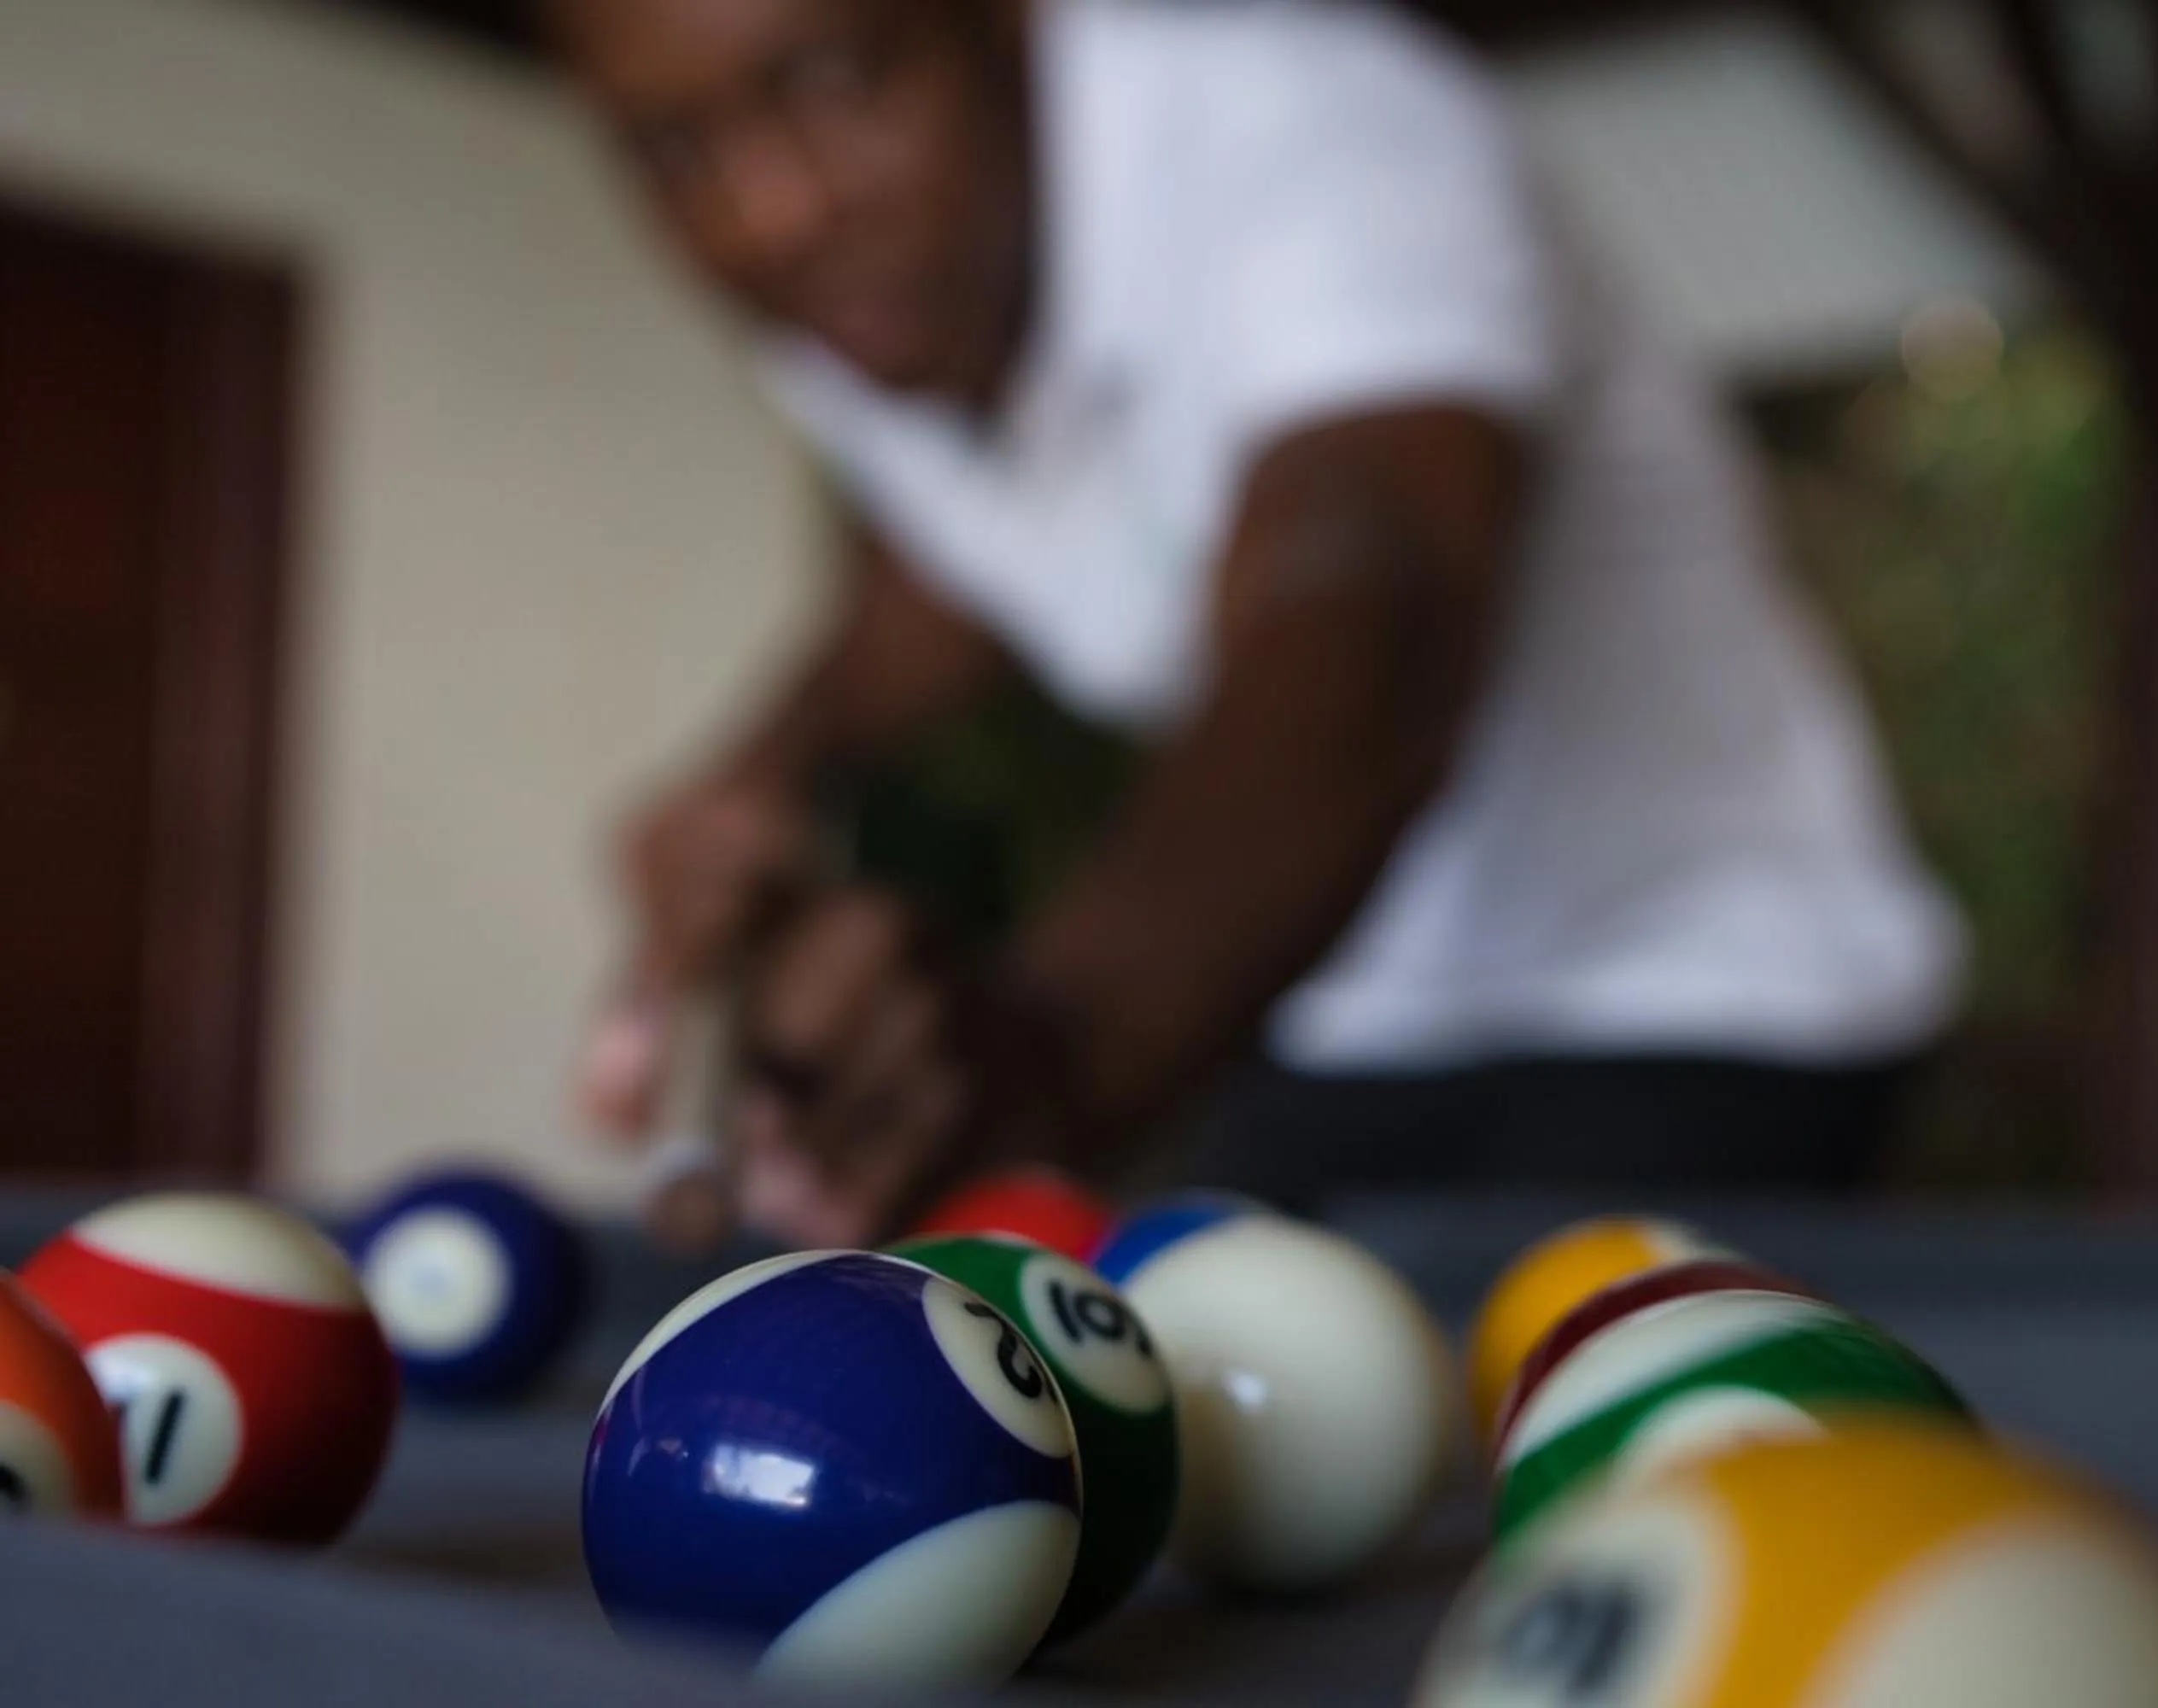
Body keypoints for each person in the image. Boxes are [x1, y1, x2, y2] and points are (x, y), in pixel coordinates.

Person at [554, 0, 1966, 1249]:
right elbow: (956, 558)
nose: (770, 212)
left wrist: (1056, 1036)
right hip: (1348, 1022)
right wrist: (765, 769)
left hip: (1697, 1000)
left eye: (837, 77)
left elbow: (1377, 588)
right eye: (674, 153)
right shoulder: (866, 302)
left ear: (1004, 20)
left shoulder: (1322, 127)